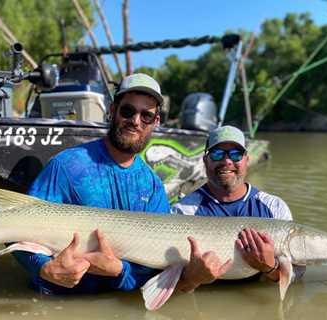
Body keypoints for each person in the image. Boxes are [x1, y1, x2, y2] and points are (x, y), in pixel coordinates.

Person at [12, 73, 229, 295]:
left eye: (146, 115)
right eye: (128, 111)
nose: (135, 121)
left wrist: (118, 270)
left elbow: (151, 270)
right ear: (113, 110)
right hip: (56, 303)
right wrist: (44, 268)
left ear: (155, 122)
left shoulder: (152, 186)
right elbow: (13, 229)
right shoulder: (67, 165)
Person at [172, 125, 299, 284]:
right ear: (205, 160)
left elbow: (297, 275)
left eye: (235, 154)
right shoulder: (184, 210)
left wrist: (270, 268)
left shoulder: (274, 207)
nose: (226, 161)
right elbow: (172, 276)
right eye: (217, 154)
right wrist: (191, 278)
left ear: (247, 159)